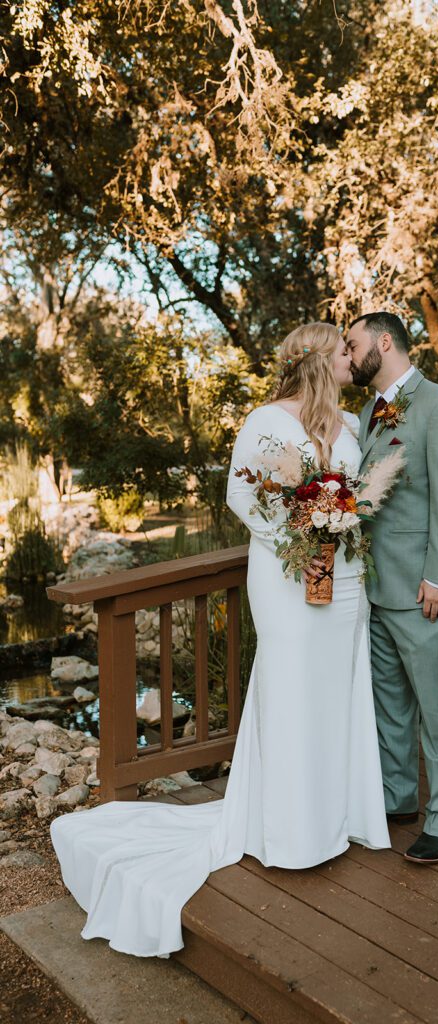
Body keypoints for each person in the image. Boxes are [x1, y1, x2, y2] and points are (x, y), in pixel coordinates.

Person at [50, 322, 390, 959]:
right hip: (289, 576)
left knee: (338, 693)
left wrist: (341, 520)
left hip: (343, 581)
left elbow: (364, 496)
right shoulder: (266, 420)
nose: (354, 358)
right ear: (320, 359)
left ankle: (339, 818)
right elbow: (242, 493)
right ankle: (289, 832)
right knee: (289, 691)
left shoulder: (352, 425)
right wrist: (302, 527)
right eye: (344, 351)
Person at [346, 311, 438, 865]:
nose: (347, 357)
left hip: (425, 591)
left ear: (384, 342)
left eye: (351, 346)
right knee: (391, 709)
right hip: (376, 589)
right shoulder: (368, 411)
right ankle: (397, 799)